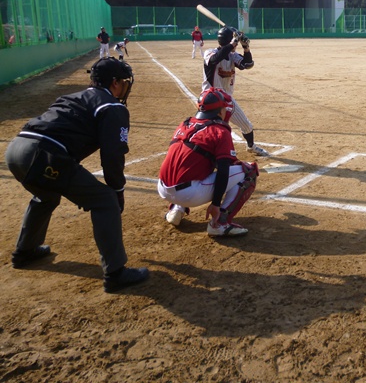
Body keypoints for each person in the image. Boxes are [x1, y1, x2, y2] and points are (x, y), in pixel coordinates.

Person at [4, 57, 149, 293]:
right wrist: (117, 191)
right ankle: (115, 273)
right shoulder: (112, 106)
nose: (125, 86)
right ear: (114, 83)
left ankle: (25, 251)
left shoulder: (73, 96)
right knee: (104, 200)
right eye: (123, 81)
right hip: (44, 155)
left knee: (47, 196)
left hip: (16, 151)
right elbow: (113, 155)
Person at [157, 87, 259, 235]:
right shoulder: (219, 130)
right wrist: (216, 203)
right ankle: (219, 223)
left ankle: (176, 209)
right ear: (219, 111)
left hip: (163, 188)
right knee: (249, 171)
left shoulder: (185, 124)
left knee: (193, 161)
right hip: (189, 194)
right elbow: (224, 169)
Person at [202, 26, 269, 157]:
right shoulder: (210, 53)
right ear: (229, 41)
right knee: (209, 128)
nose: (236, 45)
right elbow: (215, 59)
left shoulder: (232, 56)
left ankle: (251, 146)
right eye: (235, 43)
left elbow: (247, 64)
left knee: (247, 126)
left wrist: (246, 47)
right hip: (210, 98)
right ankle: (205, 151)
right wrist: (232, 43)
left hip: (227, 99)